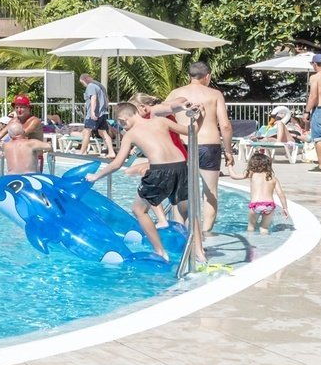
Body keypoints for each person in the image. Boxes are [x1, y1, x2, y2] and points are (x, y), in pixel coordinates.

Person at [86, 95, 194, 262]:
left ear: (124, 119)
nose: (122, 127)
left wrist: (96, 176)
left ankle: (160, 252)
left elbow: (117, 163)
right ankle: (199, 252)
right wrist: (197, 116)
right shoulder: (160, 121)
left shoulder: (131, 134)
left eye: (121, 124)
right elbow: (191, 132)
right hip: (181, 165)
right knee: (189, 210)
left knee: (139, 210)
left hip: (160, 171)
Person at [164, 60, 233, 237]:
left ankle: (180, 231)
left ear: (190, 76)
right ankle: (205, 233)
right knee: (210, 191)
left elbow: (161, 117)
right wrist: (228, 151)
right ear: (207, 76)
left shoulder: (175, 93)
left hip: (183, 145)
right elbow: (224, 125)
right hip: (209, 146)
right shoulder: (215, 94)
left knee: (180, 190)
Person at [245, 152, 287, 234]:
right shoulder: (273, 178)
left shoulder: (252, 175)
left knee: (251, 227)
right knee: (264, 228)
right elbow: (281, 194)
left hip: (255, 205)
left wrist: (229, 166)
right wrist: (285, 208)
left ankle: (250, 245)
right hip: (269, 206)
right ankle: (265, 246)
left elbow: (234, 176)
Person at [78, 72, 112, 155]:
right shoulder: (100, 85)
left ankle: (82, 151)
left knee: (87, 131)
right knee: (103, 132)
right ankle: (111, 152)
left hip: (93, 114)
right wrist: (103, 108)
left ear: (85, 79)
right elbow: (107, 100)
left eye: (83, 83)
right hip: (102, 113)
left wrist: (93, 112)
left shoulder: (91, 86)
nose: (84, 85)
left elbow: (94, 98)